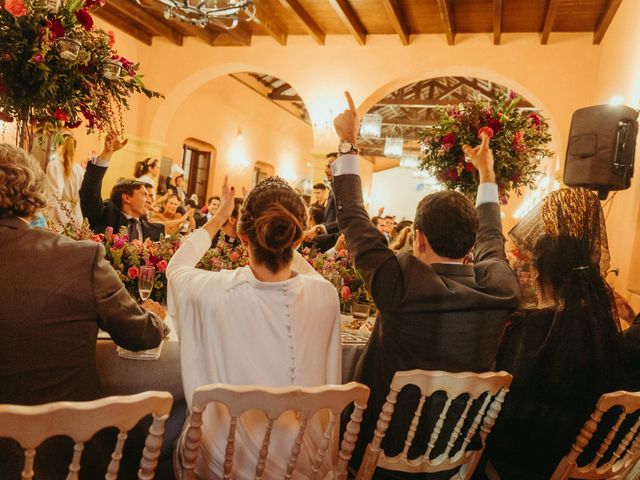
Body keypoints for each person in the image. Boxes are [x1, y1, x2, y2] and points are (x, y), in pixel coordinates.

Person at [331, 92, 519, 477]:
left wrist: (349, 143)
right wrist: (487, 174)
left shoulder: (400, 286)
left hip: (375, 457)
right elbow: (493, 238)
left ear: (417, 238)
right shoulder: (501, 291)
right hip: (448, 461)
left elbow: (352, 218)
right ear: (472, 247)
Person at [0, 143, 168, 477]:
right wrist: (156, 319)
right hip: (60, 455)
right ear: (33, 189)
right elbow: (140, 336)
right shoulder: (78, 257)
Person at [167, 176, 341, 478]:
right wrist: (285, 242)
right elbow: (309, 274)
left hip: (224, 465)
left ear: (243, 238)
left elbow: (176, 268)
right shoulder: (325, 295)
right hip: (305, 464)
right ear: (297, 239)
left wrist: (220, 217)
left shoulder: (212, 290)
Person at [482, 187, 628, 480]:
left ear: (542, 275)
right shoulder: (602, 324)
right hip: (581, 459)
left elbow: (507, 401)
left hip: (529, 463)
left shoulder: (536, 328)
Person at [79, 134, 165, 241]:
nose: (149, 201)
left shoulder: (155, 231)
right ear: (127, 198)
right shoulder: (106, 216)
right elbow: (89, 192)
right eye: (144, 195)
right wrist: (107, 153)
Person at [46, 133, 85, 229]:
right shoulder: (79, 169)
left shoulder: (55, 165)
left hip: (60, 210)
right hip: (76, 210)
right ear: (74, 149)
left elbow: (55, 192)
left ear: (58, 146)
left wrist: (45, 211)